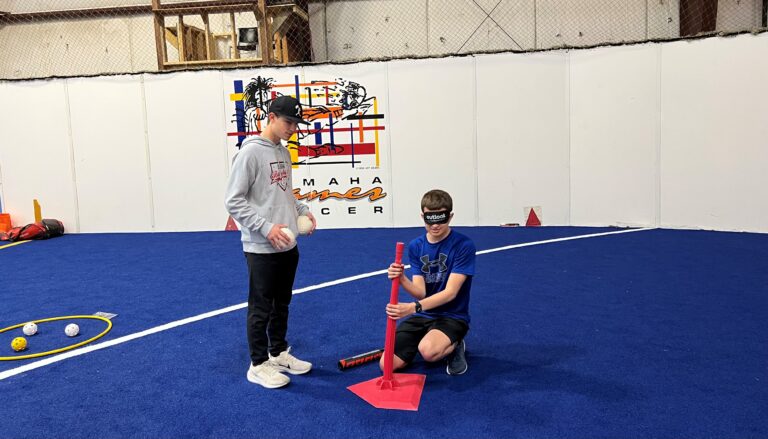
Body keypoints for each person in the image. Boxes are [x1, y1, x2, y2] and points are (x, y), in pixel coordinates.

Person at [225, 95, 317, 389]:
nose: (293, 128)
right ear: (271, 117)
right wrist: (265, 227)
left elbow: (283, 193)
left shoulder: (283, 152)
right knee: (261, 307)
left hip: (287, 244)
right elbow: (233, 201)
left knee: (283, 303)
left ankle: (277, 352)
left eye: (296, 123)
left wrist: (301, 211)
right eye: (288, 121)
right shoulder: (250, 153)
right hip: (261, 246)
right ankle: (257, 364)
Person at [382, 189, 476, 375]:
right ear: (422, 216)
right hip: (424, 314)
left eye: (441, 218)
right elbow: (420, 292)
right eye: (430, 219)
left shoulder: (464, 245)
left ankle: (456, 343)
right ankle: (426, 341)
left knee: (429, 352)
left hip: (452, 316)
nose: (435, 225)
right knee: (387, 366)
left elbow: (450, 293)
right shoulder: (417, 246)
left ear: (450, 216)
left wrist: (412, 308)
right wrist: (402, 279)